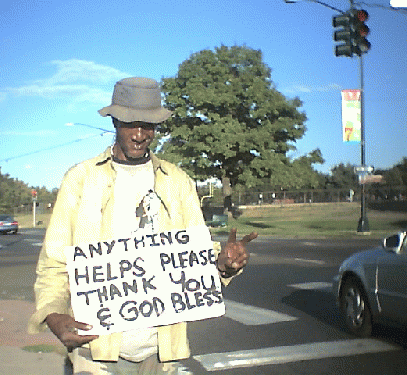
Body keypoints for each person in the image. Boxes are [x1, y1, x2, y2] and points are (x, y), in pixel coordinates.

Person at [28, 77, 258, 374]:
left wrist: (225, 264)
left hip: (160, 356)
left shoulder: (178, 183)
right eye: (130, 123)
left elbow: (198, 262)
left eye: (148, 125)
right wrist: (53, 316)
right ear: (114, 121)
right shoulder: (81, 180)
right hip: (96, 353)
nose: (139, 135)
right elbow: (53, 265)